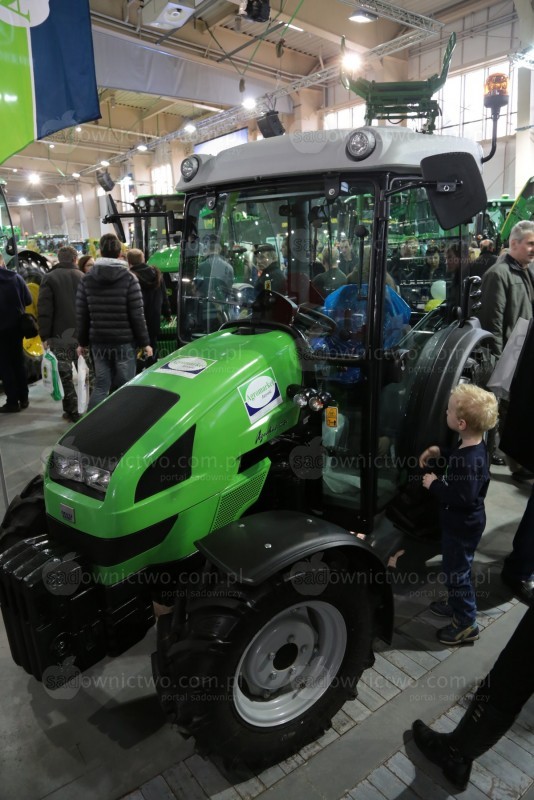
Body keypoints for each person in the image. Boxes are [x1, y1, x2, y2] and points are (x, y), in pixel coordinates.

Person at [419, 384, 498, 645]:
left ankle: (466, 623)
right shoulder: (472, 446)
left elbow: (463, 497)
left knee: (457, 574)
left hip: (462, 526)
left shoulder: (469, 460)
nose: (446, 412)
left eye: (450, 410)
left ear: (461, 423)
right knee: (455, 568)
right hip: (462, 524)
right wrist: (440, 451)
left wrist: (434, 484)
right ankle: (456, 605)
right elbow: (457, 457)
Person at [477, 221, 534, 467]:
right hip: (508, 357)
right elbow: (493, 322)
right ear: (514, 243)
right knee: (500, 410)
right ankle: (498, 458)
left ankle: (516, 459)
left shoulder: (525, 271)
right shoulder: (498, 274)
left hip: (522, 353)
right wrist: (498, 362)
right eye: (530, 243)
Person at [76, 233, 152, 411]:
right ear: (120, 253)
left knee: (101, 385)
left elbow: (82, 314)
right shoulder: (129, 278)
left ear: (100, 252)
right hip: (124, 341)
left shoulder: (87, 279)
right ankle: (125, 423)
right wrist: (145, 343)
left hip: (99, 341)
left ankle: (94, 423)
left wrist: (82, 342)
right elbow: (137, 315)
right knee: (126, 385)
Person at [37, 245, 86, 423]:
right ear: (75, 259)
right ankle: (90, 408)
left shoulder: (49, 278)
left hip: (60, 336)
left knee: (65, 376)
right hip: (83, 336)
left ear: (59, 259)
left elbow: (45, 310)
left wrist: (44, 336)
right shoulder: (84, 277)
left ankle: (72, 411)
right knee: (86, 374)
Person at [126, 248, 171, 365]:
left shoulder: (128, 277)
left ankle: (139, 369)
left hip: (136, 322)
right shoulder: (157, 275)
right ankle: (152, 367)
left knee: (136, 352)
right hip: (154, 319)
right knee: (152, 347)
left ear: (129, 262)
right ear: (143, 259)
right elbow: (164, 297)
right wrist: (167, 314)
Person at [0, 255, 32, 412]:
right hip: (16, 328)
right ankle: (24, 398)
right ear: (1, 261)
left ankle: (12, 402)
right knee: (18, 362)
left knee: (5, 366)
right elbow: (29, 300)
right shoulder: (16, 277)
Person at [195, 234, 234, 299]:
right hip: (222, 304)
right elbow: (229, 292)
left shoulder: (200, 267)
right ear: (220, 249)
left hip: (204, 304)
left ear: (205, 249)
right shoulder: (229, 268)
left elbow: (197, 291)